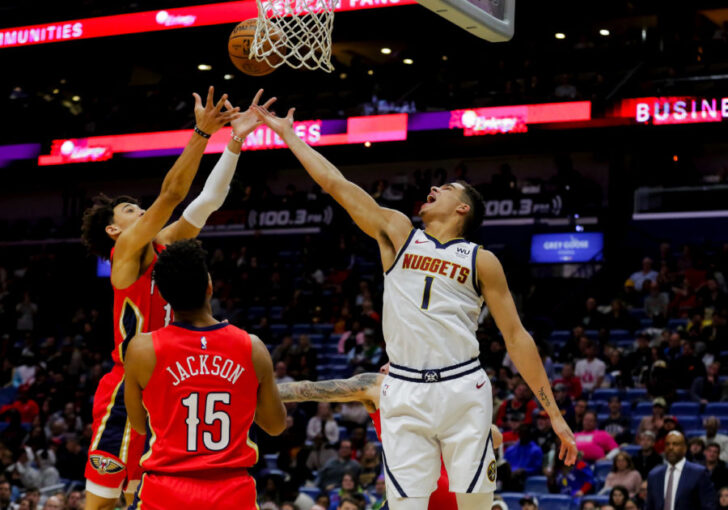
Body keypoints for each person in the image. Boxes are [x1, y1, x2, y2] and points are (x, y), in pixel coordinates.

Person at [253, 102, 577, 510]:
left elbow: (516, 337)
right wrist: (288, 135)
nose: (435, 188)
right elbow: (335, 184)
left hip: (463, 386)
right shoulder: (398, 233)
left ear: (463, 209)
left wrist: (555, 415)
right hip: (402, 388)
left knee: (476, 505)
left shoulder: (481, 260)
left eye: (448, 189)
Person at [79, 88, 275, 510]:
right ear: (114, 231)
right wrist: (201, 133)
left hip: (170, 379)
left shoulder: (164, 245)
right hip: (126, 385)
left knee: (148, 497)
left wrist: (236, 142)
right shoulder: (125, 253)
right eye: (130, 212)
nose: (140, 212)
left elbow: (206, 202)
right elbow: (170, 196)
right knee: (102, 502)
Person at [123, 239, 287, 509]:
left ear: (165, 297)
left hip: (165, 492)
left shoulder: (141, 349)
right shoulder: (252, 347)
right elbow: (276, 425)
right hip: (231, 493)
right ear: (209, 288)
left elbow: (140, 425)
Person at [277, 370, 504, 510]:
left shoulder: (440, 385)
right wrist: (262, 389)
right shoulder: (379, 387)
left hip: (455, 498)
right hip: (407, 495)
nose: (383, 368)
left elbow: (495, 438)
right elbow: (310, 389)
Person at [645, 431, 717, 510]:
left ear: (685, 448)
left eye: (675, 444)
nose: (670, 448)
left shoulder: (699, 473)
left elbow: (708, 506)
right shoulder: (654, 475)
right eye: (667, 444)